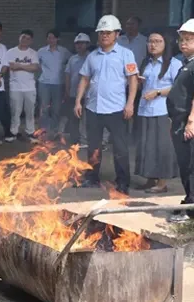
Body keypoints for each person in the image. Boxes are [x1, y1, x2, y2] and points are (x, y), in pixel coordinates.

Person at [74, 15, 138, 194]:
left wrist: (130, 104)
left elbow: (133, 80)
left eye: (108, 33)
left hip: (117, 109)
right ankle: (92, 177)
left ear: (117, 34)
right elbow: (84, 79)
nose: (104, 36)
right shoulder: (92, 56)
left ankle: (123, 182)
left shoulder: (126, 54)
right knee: (93, 146)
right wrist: (78, 101)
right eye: (101, 33)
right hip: (93, 108)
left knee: (121, 148)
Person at [134, 33, 181, 193]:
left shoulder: (174, 64)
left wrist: (158, 92)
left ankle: (162, 183)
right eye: (150, 41)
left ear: (165, 44)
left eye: (157, 41)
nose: (153, 45)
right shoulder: (145, 63)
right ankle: (150, 179)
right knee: (147, 145)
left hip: (162, 110)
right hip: (144, 109)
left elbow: (178, 87)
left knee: (162, 146)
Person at [167, 19, 194, 223]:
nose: (183, 43)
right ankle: (189, 200)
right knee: (184, 164)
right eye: (181, 39)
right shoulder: (186, 63)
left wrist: (192, 121)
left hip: (189, 122)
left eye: (188, 39)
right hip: (179, 120)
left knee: (191, 165)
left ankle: (192, 208)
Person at [6, 30, 40, 143]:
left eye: (28, 38)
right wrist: (26, 66)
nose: (25, 40)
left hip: (30, 87)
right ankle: (13, 132)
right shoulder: (11, 52)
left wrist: (19, 65)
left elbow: (35, 67)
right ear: (19, 37)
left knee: (30, 111)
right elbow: (11, 66)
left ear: (31, 41)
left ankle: (30, 132)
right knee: (15, 111)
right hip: (15, 87)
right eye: (23, 37)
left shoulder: (33, 53)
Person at [38, 30, 71, 137]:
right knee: (44, 108)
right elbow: (35, 65)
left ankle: (54, 131)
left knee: (56, 108)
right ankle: (43, 130)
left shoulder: (64, 52)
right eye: (49, 38)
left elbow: (71, 62)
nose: (51, 40)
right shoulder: (41, 51)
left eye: (53, 38)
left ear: (57, 39)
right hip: (44, 83)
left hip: (58, 84)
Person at [64, 33, 91, 147]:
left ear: (87, 44)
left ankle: (84, 140)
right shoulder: (72, 59)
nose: (79, 46)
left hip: (88, 94)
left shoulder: (91, 57)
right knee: (74, 118)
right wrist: (67, 90)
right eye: (77, 44)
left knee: (85, 119)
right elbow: (67, 75)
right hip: (73, 93)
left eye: (82, 43)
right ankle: (75, 140)